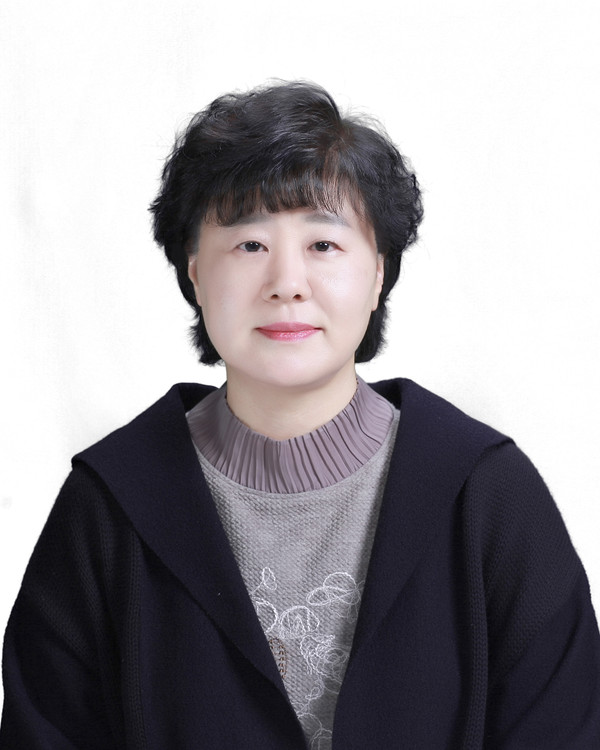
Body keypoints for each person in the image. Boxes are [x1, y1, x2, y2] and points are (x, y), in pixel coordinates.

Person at [1, 81, 599, 749]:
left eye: (323, 245)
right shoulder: (109, 506)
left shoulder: (488, 495)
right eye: (249, 245)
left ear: (379, 273)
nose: (287, 283)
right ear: (194, 272)